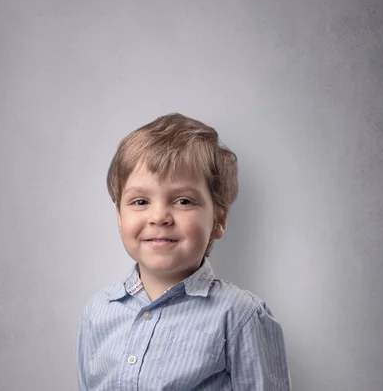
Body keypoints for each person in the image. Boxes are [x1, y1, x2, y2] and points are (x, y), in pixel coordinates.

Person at [76, 113, 290, 390]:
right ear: (119, 218)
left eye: (183, 201)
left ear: (219, 219)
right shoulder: (98, 311)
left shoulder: (240, 316)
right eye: (140, 201)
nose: (159, 216)